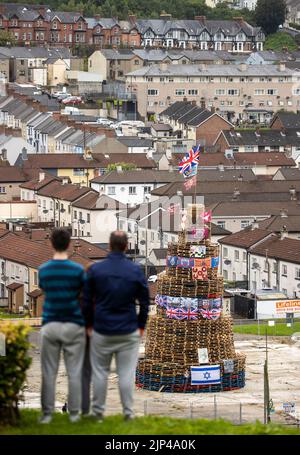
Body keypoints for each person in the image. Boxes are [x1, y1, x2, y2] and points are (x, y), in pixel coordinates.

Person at [82, 231, 149, 422]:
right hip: (128, 329)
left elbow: (87, 301)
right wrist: (141, 326)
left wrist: (88, 325)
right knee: (126, 374)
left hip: (102, 328)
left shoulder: (96, 270)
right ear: (126, 246)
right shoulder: (135, 270)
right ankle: (128, 413)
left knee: (100, 373)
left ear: (109, 246)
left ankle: (98, 413)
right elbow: (144, 303)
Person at [38, 228, 86, 424]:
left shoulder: (43, 270)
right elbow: (82, 294)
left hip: (50, 323)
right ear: (68, 244)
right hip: (73, 324)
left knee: (49, 372)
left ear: (51, 243)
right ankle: (74, 414)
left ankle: (47, 414)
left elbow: (44, 289)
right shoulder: (77, 271)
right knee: (74, 372)